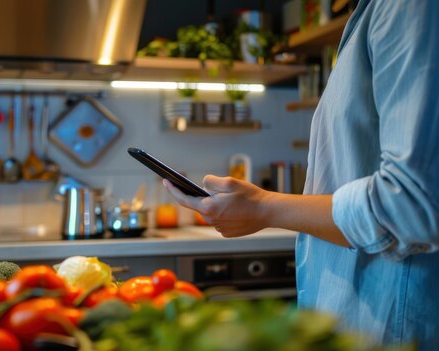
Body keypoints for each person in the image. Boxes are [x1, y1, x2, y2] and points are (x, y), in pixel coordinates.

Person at [163, 1, 439, 350]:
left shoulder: (408, 7)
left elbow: (412, 203)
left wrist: (265, 207)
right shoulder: (370, 13)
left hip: (397, 328)